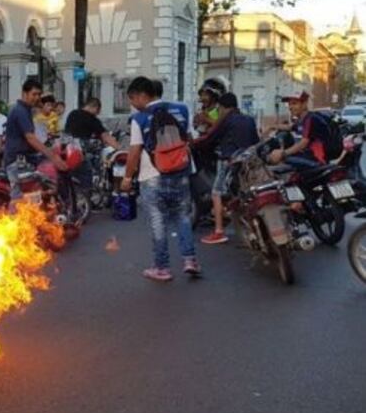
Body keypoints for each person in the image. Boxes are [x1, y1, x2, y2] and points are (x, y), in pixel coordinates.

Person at [121, 76, 199, 281]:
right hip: (181, 172)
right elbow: (190, 139)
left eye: (132, 99)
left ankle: (162, 268)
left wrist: (127, 178)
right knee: (183, 216)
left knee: (158, 221)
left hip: (153, 176)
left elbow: (134, 151)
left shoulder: (139, 118)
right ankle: (190, 260)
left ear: (142, 95)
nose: (132, 104)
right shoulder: (182, 109)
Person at [195, 92, 260, 245]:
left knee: (216, 193)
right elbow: (255, 141)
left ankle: (218, 231)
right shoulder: (249, 119)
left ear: (223, 107)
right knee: (245, 194)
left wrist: (193, 143)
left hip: (229, 161)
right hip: (249, 162)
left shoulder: (226, 119)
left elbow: (210, 138)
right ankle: (253, 229)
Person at [4, 79, 68, 200]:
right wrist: (53, 157)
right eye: (34, 94)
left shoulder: (27, 109)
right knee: (20, 199)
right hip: (17, 161)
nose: (37, 97)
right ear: (24, 93)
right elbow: (30, 138)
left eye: (39, 94)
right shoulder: (20, 111)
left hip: (26, 157)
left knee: (46, 180)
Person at [268, 91, 329, 169]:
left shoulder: (311, 119)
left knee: (281, 162)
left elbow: (303, 143)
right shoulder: (302, 120)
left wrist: (283, 153)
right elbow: (290, 127)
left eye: (294, 103)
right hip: (308, 155)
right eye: (289, 104)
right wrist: (272, 127)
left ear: (304, 104)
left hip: (317, 159)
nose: (290, 107)